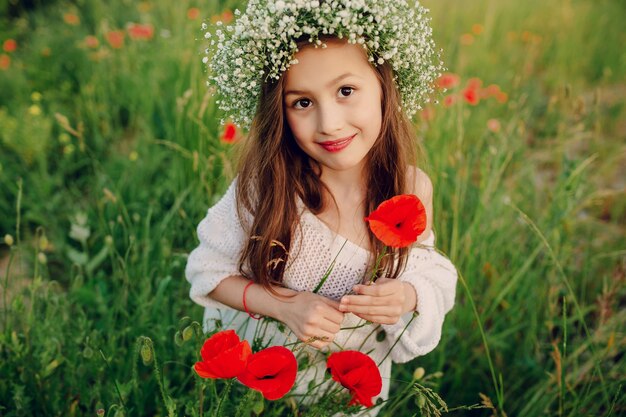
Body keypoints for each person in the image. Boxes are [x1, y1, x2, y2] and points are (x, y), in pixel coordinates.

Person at [186, 0, 458, 411]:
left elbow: (427, 271)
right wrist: (283, 305)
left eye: (346, 91)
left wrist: (406, 295)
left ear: (386, 86)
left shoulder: (408, 187)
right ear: (280, 110)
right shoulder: (268, 183)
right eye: (302, 102)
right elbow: (208, 270)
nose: (328, 122)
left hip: (343, 386)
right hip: (259, 379)